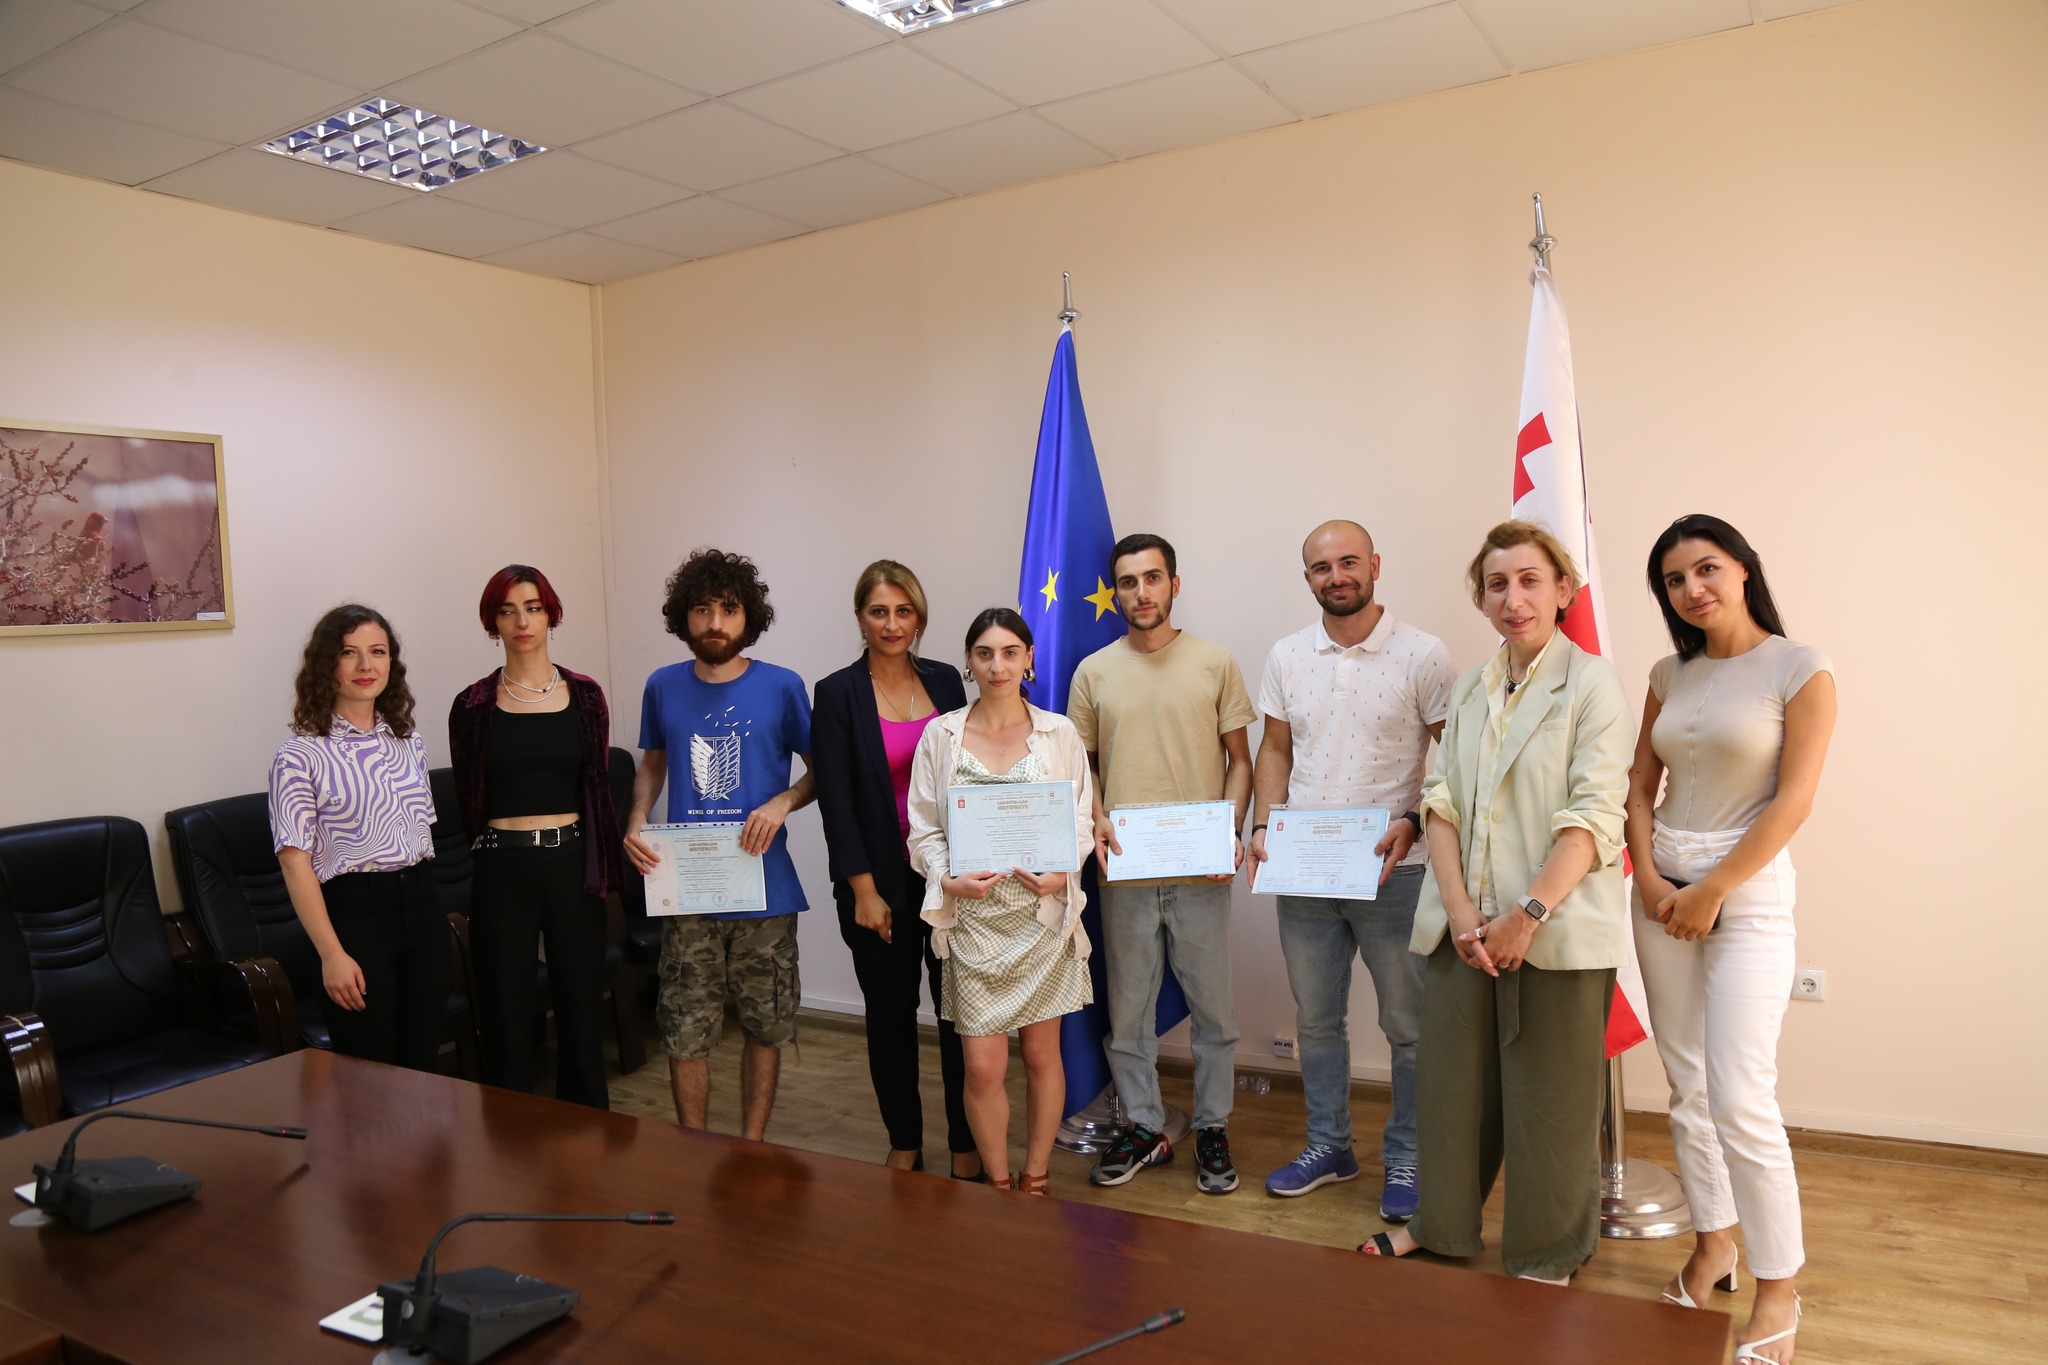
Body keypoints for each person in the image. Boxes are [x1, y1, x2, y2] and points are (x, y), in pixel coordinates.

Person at [1361, 520, 1632, 1284]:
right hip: (1465, 928)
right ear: (1481, 598)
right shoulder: (1472, 686)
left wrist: (1526, 916)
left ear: (1564, 590)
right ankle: (1441, 1225)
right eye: (1497, 584)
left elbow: (1593, 816)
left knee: (1553, 1101)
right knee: (1452, 1091)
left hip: (1556, 929)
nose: (1514, 598)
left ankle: (1549, 1249)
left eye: (1530, 580)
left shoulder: (1594, 684)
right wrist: (1459, 911)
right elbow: (1441, 799)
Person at [1625, 514, 1834, 1365]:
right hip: (1660, 895)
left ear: (1744, 568)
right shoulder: (1667, 672)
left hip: (1744, 896)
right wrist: (1649, 879)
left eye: (1706, 568)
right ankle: (1714, 1246)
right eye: (1674, 580)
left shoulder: (1800, 666)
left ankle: (1779, 1289)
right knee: (1687, 1084)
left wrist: (1711, 890)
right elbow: (1640, 786)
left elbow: (1795, 800)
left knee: (1741, 1095)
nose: (1692, 589)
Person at [1249, 520, 1455, 1220]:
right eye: (1321, 566)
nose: (1336, 576)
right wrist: (1262, 826)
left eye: (1348, 562)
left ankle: (1409, 1155)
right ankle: (1329, 1145)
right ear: (1307, 577)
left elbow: (1454, 759)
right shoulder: (1287, 654)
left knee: (1409, 1026)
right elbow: (1275, 748)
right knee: (1316, 1020)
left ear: (1374, 565)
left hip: (1395, 870)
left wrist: (1415, 819)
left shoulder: (1424, 653)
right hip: (1305, 868)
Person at [1068, 533, 1253, 1194]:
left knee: (1215, 1014)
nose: (1140, 592)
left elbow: (1241, 760)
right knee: (1128, 1016)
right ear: (1115, 591)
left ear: (1174, 584)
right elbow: (1082, 766)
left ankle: (1211, 1126)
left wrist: (1229, 830)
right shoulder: (1093, 671)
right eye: (1128, 581)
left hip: (1201, 870)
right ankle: (1145, 1126)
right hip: (1125, 871)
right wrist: (1096, 817)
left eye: (1152, 578)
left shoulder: (1215, 662)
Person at [623, 549, 814, 1139]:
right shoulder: (662, 686)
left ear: (748, 616)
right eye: (702, 609)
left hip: (766, 890)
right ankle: (693, 1148)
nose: (714, 622)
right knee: (685, 1029)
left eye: (728, 609)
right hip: (689, 892)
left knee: (767, 1026)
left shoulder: (783, 686)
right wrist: (637, 817)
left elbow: (822, 772)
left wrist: (782, 802)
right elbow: (652, 764)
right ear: (683, 616)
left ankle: (753, 1144)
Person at [905, 608, 1093, 1194]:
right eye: (985, 653)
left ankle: (1035, 1178)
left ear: (1029, 658)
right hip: (973, 922)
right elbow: (923, 830)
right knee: (982, 1068)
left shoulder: (1060, 733)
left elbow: (1081, 820)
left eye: (1011, 652)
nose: (998, 665)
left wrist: (1061, 872)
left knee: (1041, 1058)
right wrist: (946, 880)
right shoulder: (941, 735)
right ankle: (1000, 1183)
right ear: (968, 661)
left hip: (1041, 920)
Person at [812, 560, 979, 1178]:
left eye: (903, 611)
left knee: (959, 1016)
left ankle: (965, 1144)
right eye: (878, 611)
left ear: (919, 618)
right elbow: (836, 800)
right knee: (890, 1016)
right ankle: (905, 1140)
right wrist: (862, 889)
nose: (891, 624)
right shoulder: (837, 693)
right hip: (876, 884)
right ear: (860, 618)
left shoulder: (945, 681)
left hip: (948, 879)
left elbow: (969, 775)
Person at [448, 565, 623, 1110]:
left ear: (550, 615)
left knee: (581, 1008)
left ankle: (588, 1128)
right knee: (504, 1013)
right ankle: (509, 1136)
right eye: (507, 611)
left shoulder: (586, 696)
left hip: (571, 864)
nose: (521, 622)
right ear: (493, 622)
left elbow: (597, 788)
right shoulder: (472, 705)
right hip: (502, 869)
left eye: (532, 608)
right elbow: (469, 800)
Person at [270, 603, 446, 1072]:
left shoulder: (408, 741)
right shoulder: (300, 755)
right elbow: (294, 862)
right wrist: (331, 954)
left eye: (378, 652)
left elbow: (420, 832)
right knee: (371, 1072)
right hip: (355, 920)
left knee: (424, 1064)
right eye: (349, 653)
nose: (366, 665)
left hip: (423, 910)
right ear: (326, 664)